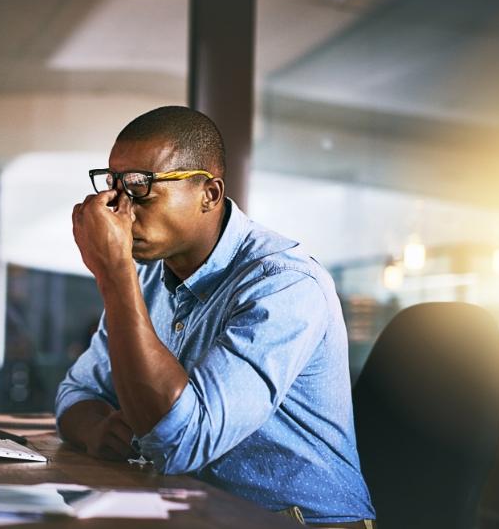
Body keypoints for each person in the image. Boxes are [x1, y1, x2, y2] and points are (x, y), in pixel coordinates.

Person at [56, 106, 375, 527]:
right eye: (113, 187)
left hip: (301, 522)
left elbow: (180, 441)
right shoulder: (150, 277)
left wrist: (114, 274)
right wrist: (98, 431)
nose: (119, 211)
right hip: (199, 514)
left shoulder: (285, 285)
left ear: (209, 193)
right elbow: (76, 392)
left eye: (140, 188)